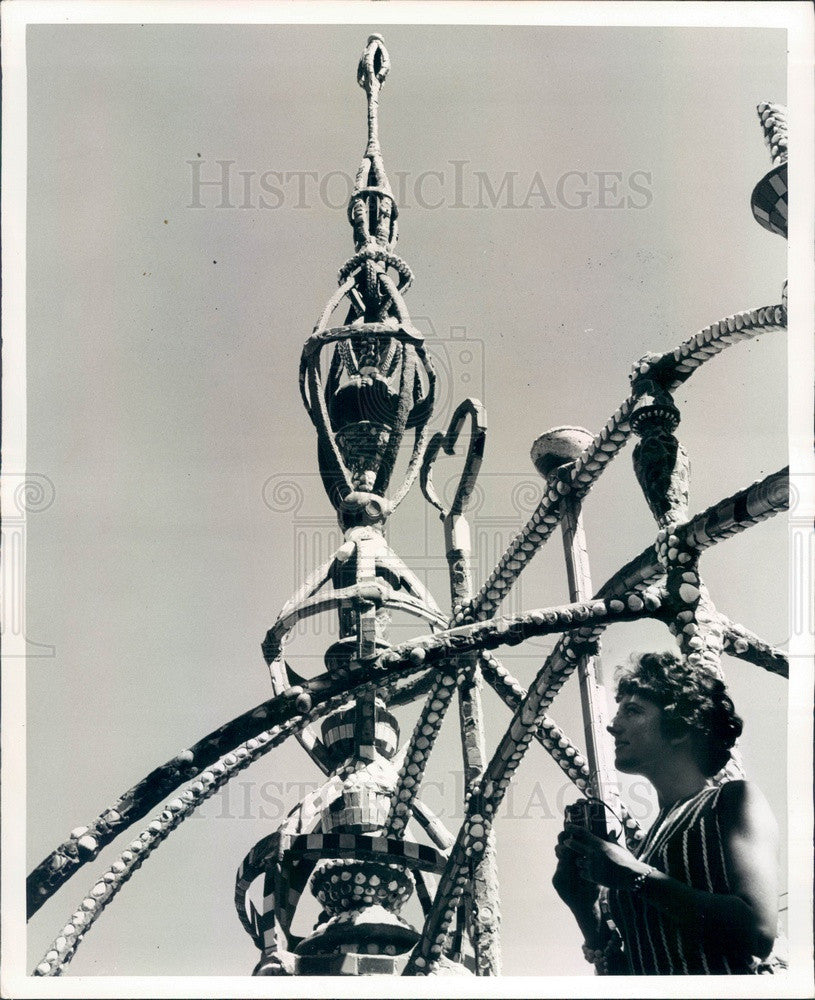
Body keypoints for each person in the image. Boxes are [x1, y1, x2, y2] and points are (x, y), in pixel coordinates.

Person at [553, 651, 779, 975]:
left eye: (633, 711)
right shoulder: (644, 847)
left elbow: (758, 932)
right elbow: (635, 969)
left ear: (680, 727)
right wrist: (581, 902)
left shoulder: (733, 801)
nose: (613, 726)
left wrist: (635, 876)